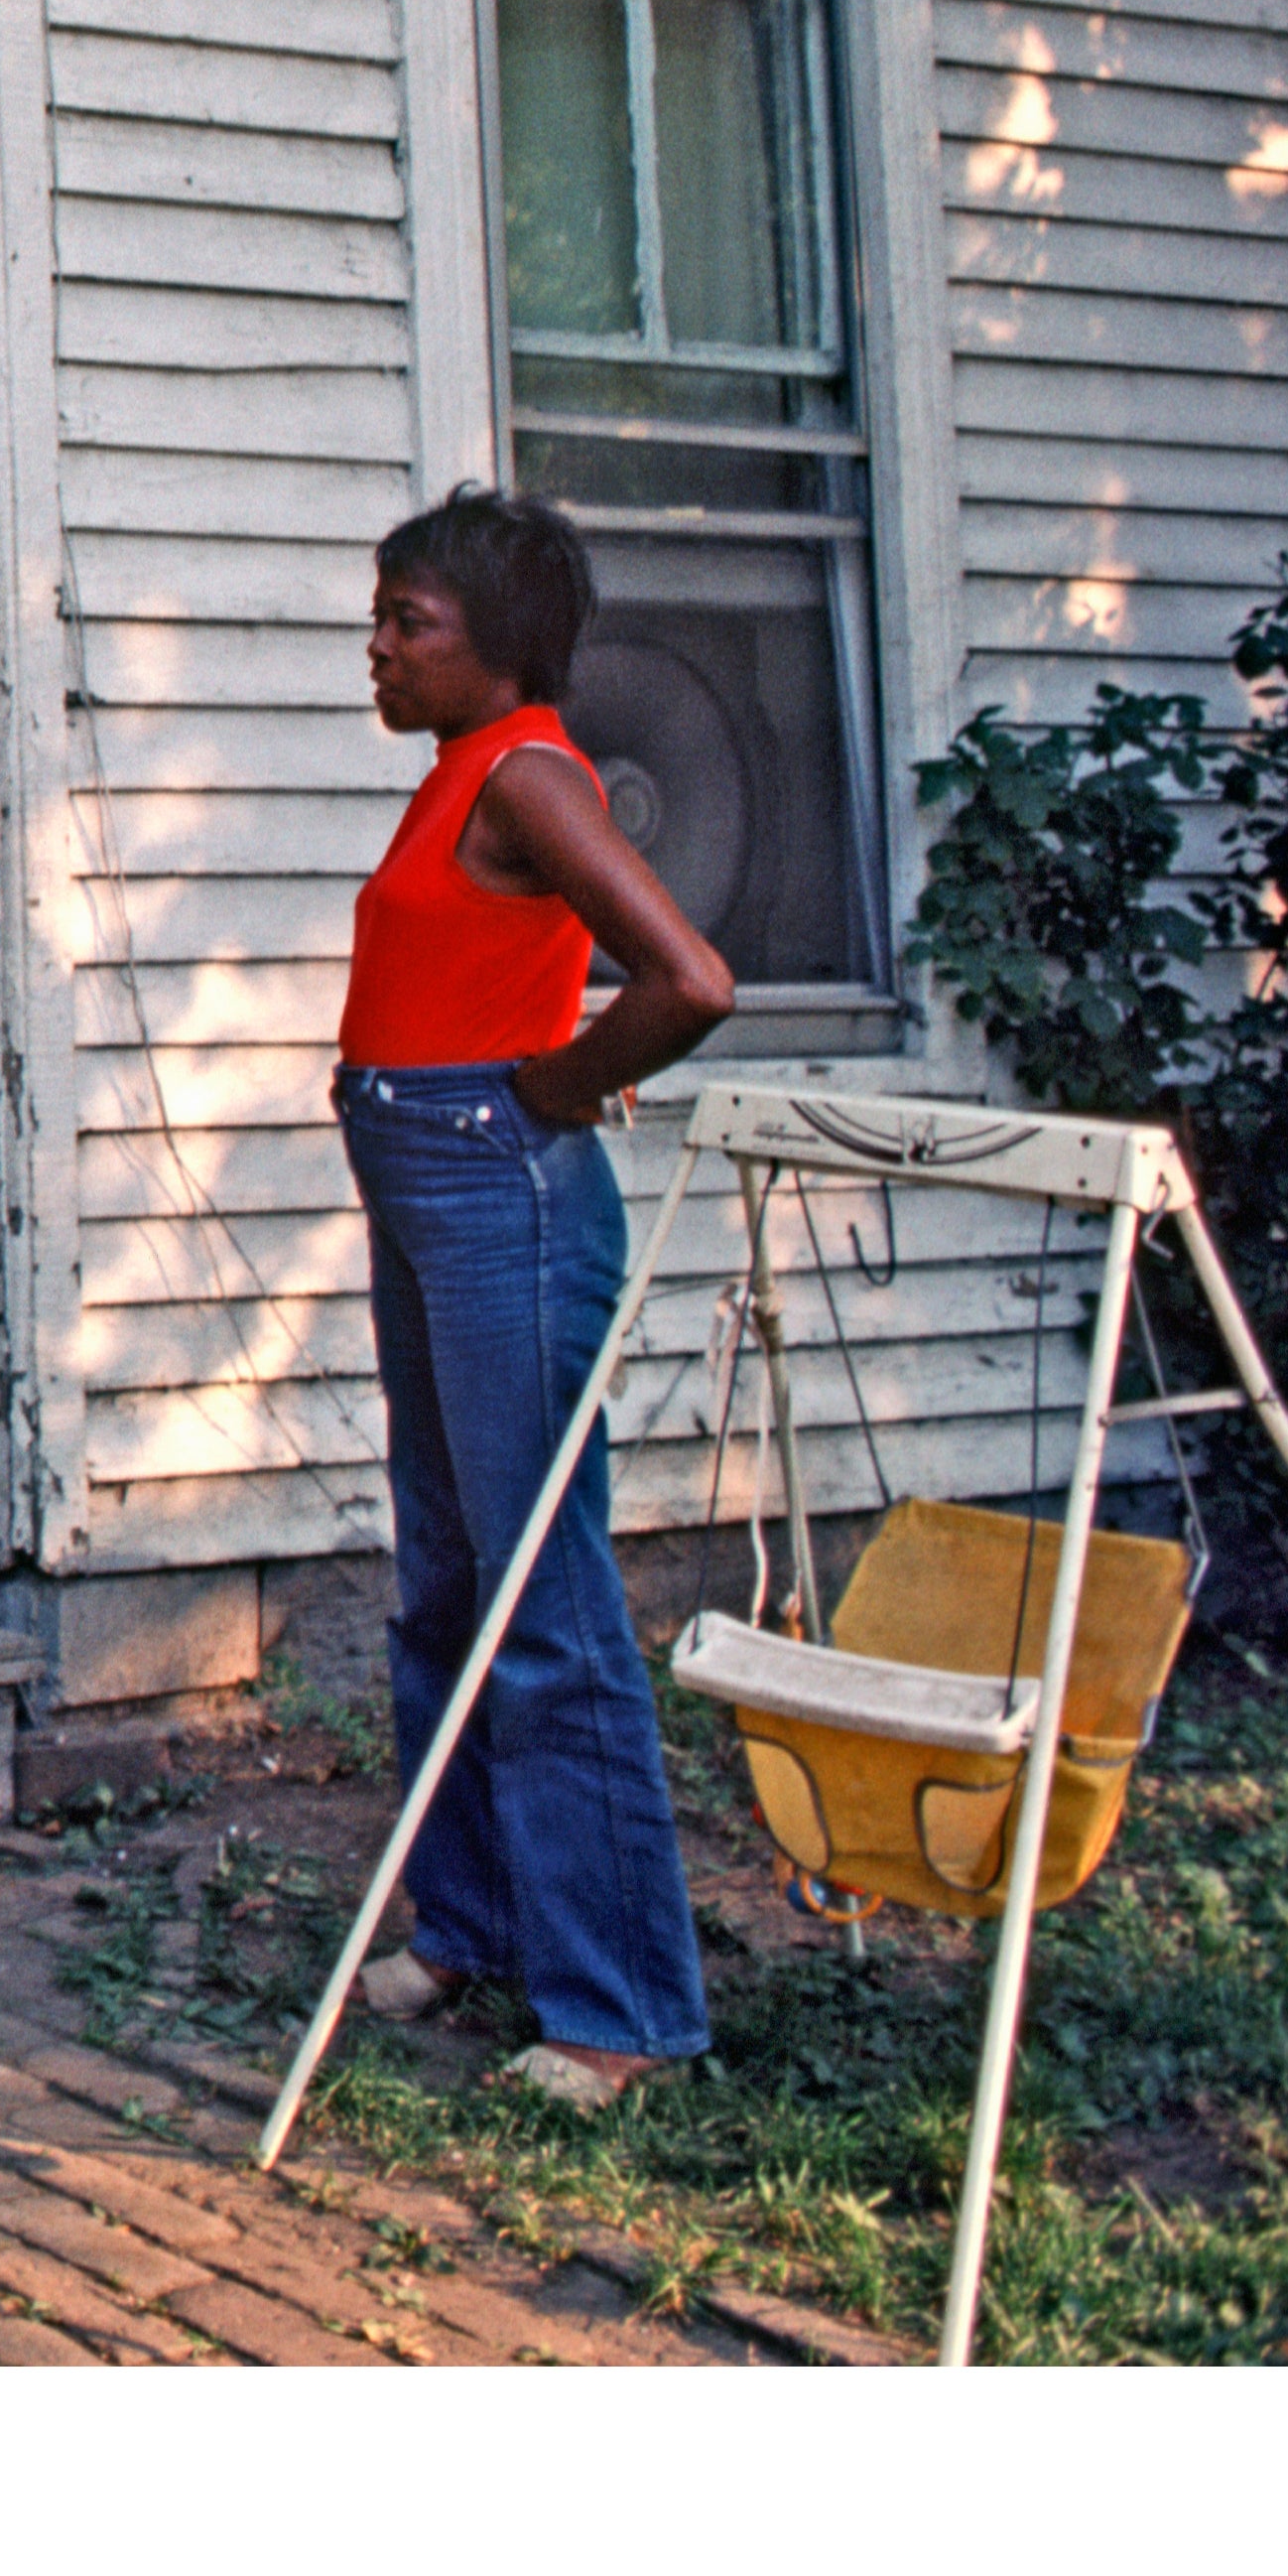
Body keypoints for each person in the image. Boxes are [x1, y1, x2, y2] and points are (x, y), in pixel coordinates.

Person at [337, 483, 734, 2115]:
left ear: (492, 646)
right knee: (443, 1573)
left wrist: (556, 1087)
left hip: (496, 1190)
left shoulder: (530, 772)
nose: (374, 646)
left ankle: (618, 2008)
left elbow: (687, 978)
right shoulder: (452, 778)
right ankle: (472, 1921)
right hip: (418, 1175)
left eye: (404, 622)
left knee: (536, 1599)